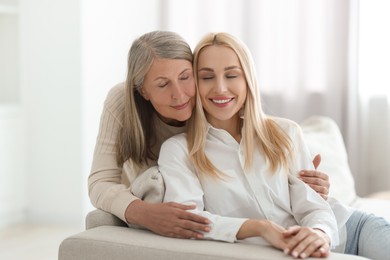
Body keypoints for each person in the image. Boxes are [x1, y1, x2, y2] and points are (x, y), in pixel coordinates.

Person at [158, 32, 390, 259]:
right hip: (293, 250)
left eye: (231, 75)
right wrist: (259, 227)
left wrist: (319, 232)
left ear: (248, 79)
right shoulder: (179, 151)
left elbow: (313, 206)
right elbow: (191, 222)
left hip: (352, 231)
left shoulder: (285, 133)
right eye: (207, 77)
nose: (220, 88)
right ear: (195, 84)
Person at [88, 30, 332, 240]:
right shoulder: (125, 104)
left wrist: (300, 181)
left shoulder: (213, 102)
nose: (180, 95)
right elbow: (100, 182)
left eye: (186, 77)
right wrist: (143, 212)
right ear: (143, 90)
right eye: (163, 84)